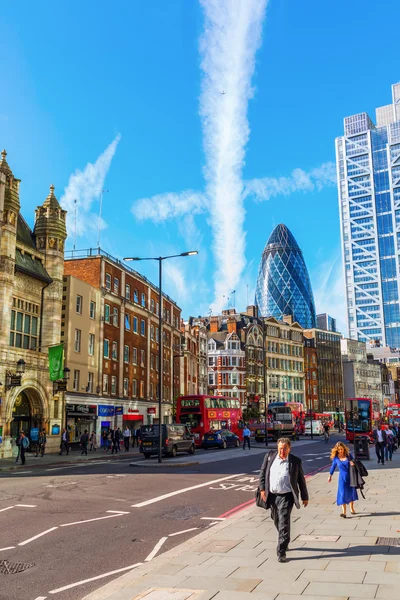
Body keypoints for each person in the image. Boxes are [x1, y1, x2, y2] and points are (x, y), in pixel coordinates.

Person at [259, 437, 309, 563]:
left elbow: (300, 480)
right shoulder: (270, 456)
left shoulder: (295, 461)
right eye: (280, 449)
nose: (282, 451)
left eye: (285, 449)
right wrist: (262, 489)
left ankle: (281, 551)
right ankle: (285, 539)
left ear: (289, 448)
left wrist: (305, 496)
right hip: (272, 495)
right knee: (276, 519)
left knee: (283, 522)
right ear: (277, 448)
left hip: (286, 496)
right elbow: (263, 473)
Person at [328, 441, 357, 517]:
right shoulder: (336, 458)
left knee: (351, 492)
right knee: (342, 493)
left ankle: (352, 508)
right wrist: (330, 475)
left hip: (350, 477)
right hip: (342, 478)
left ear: (344, 448)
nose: (340, 451)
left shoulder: (348, 455)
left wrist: (353, 463)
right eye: (339, 449)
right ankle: (344, 512)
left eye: (341, 449)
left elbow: (354, 461)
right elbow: (333, 467)